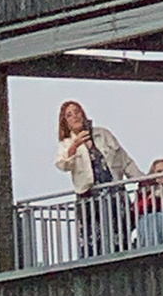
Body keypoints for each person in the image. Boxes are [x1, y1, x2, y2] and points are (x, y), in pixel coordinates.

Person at [55, 99, 142, 257]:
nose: (74, 116)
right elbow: (63, 165)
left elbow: (124, 160)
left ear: (83, 114)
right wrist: (74, 147)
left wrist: (144, 180)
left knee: (120, 237)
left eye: (77, 112)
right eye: (69, 115)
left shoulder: (102, 134)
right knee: (93, 242)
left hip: (115, 194)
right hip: (89, 198)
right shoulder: (66, 144)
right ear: (65, 122)